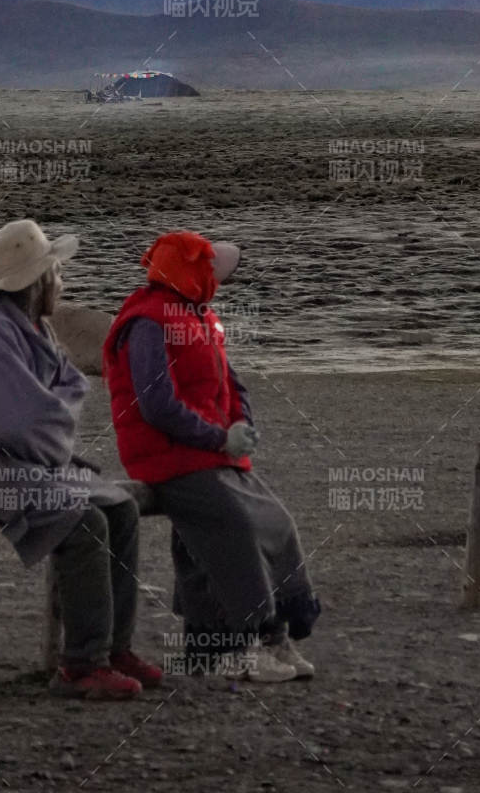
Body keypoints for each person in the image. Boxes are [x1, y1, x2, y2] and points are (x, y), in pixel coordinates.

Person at [0, 219, 162, 700]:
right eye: (56, 273)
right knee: (83, 520)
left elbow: (64, 394)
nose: (62, 282)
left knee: (121, 509)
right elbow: (21, 422)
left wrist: (50, 434)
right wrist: (52, 437)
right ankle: (80, 666)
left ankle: (115, 647)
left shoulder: (34, 330)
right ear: (39, 282)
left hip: (19, 459)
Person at [103, 230, 321, 683]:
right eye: (207, 267)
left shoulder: (196, 316)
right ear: (189, 271)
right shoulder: (148, 322)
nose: (215, 277)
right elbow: (156, 406)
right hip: (169, 458)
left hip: (207, 453)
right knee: (235, 526)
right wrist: (218, 439)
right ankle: (246, 642)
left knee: (275, 520)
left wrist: (240, 426)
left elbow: (230, 382)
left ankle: (270, 635)